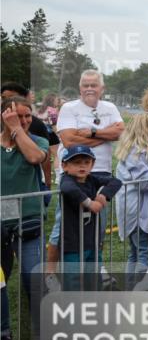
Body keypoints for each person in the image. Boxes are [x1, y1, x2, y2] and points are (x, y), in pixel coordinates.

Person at [47, 70, 124, 264]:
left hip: (102, 174)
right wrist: (105, 135)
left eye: (94, 85)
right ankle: (50, 273)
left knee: (98, 225)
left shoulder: (110, 107)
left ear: (102, 88)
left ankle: (95, 267)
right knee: (62, 226)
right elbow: (69, 141)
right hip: (73, 176)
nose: (89, 89)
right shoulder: (69, 107)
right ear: (80, 88)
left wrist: (91, 132)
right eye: (85, 85)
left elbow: (121, 132)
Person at [0, 96, 49, 340]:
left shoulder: (36, 141)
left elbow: (35, 158)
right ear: (4, 116)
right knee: (0, 282)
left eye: (28, 115)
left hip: (28, 225)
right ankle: (3, 333)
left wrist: (17, 129)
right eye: (19, 115)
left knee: (33, 278)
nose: (26, 120)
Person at [114, 113, 148, 285]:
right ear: (146, 127)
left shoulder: (143, 150)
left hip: (143, 210)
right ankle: (140, 292)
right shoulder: (136, 151)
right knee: (144, 254)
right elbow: (143, 182)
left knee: (137, 253)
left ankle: (132, 291)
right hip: (140, 212)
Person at [58, 145, 121, 288]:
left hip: (92, 242)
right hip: (72, 245)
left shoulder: (92, 179)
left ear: (92, 165)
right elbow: (68, 189)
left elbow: (116, 181)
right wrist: (89, 203)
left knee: (93, 279)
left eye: (86, 162)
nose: (82, 166)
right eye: (76, 162)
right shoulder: (67, 180)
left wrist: (104, 194)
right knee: (73, 282)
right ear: (64, 166)